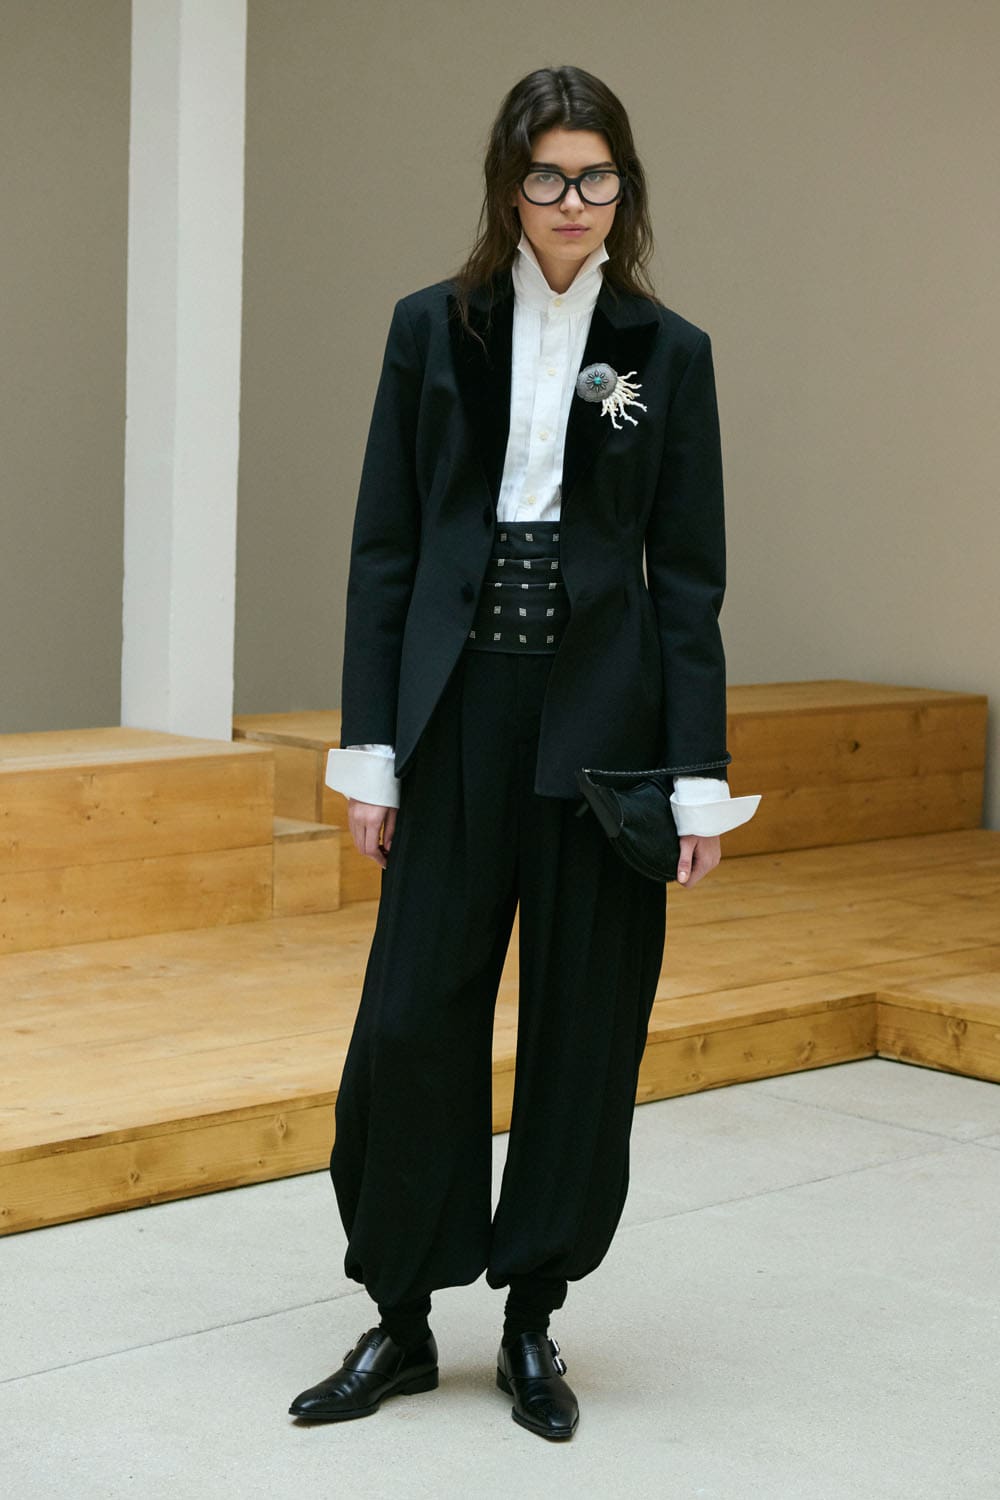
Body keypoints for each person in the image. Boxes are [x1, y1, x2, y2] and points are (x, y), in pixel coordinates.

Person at [289, 64, 760, 1440]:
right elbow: (385, 550)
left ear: (625, 189)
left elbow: (689, 584)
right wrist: (371, 749)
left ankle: (533, 1316)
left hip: (602, 731)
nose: (572, 200)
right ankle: (399, 1318)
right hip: (455, 718)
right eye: (548, 174)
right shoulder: (428, 330)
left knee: (583, 1026)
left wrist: (696, 780)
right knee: (411, 1021)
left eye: (596, 176)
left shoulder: (671, 353)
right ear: (509, 186)